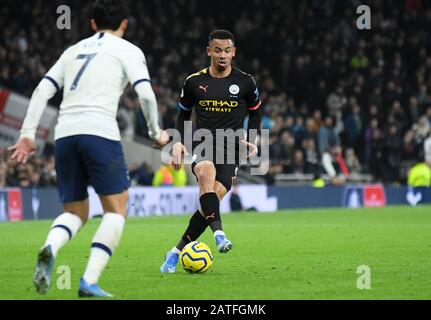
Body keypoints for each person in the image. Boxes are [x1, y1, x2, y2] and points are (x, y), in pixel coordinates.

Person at [8, 0, 168, 297]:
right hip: (99, 133)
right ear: (125, 24)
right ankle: (88, 281)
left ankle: (49, 246)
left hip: (65, 136)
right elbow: (145, 94)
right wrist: (155, 132)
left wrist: (28, 134)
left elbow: (43, 89)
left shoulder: (72, 51)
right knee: (116, 209)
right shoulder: (129, 50)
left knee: (76, 211)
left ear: (93, 24)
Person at [160, 29, 262, 273]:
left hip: (232, 148)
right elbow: (183, 115)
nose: (222, 55)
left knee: (210, 202)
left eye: (227, 51)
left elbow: (255, 112)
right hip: (202, 143)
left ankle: (175, 252)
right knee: (205, 171)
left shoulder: (245, 82)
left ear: (234, 52)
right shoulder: (194, 82)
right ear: (209, 51)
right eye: (217, 50)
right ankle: (219, 234)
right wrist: (179, 142)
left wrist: (251, 138)